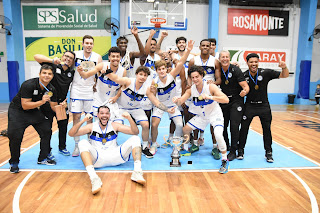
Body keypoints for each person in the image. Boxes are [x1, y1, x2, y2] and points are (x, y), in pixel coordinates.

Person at [68, 106, 145, 195]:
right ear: (97, 115)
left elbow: (135, 132)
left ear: (109, 115)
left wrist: (129, 118)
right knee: (82, 143)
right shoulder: (91, 126)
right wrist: (83, 120)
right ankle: (94, 178)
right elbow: (71, 133)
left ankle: (137, 172)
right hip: (98, 158)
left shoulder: (115, 125)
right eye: (102, 113)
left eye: (106, 113)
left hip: (115, 155)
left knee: (135, 138)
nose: (104, 115)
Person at [105, 66, 175, 159]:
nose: (142, 77)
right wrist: (108, 72)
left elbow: (155, 101)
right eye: (141, 74)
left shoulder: (146, 88)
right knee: (117, 124)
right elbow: (116, 79)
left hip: (136, 108)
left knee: (145, 124)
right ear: (136, 74)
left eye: (145, 75)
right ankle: (112, 145)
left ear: (147, 77)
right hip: (121, 107)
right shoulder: (128, 81)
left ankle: (145, 146)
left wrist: (167, 109)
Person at [172, 65, 230, 174]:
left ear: (202, 76)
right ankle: (185, 149)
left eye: (197, 77)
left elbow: (226, 99)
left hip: (214, 114)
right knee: (185, 129)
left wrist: (211, 97)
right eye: (192, 77)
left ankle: (224, 159)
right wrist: (176, 100)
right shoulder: (191, 90)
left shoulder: (210, 87)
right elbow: (181, 101)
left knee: (218, 134)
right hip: (202, 116)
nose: (195, 79)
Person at [238, 53, 289, 162]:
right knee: (243, 129)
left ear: (258, 62)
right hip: (250, 105)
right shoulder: (243, 75)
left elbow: (284, 75)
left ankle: (268, 152)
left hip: (264, 106)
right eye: (251, 62)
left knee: (267, 130)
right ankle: (240, 150)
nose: (254, 64)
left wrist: (284, 67)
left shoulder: (266, 73)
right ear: (247, 63)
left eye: (256, 62)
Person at [8, 64, 58, 173]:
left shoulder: (51, 89)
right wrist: (42, 102)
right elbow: (25, 105)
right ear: (39, 74)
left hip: (33, 111)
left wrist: (62, 107)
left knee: (46, 130)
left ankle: (43, 158)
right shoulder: (28, 85)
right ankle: (14, 162)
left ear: (52, 76)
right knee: (15, 136)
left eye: (49, 74)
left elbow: (54, 106)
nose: (46, 75)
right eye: (44, 73)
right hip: (18, 111)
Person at [147, 39, 194, 155]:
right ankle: (153, 144)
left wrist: (188, 50)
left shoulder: (171, 75)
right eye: (159, 69)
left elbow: (181, 62)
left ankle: (176, 145)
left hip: (173, 105)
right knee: (154, 124)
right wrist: (153, 91)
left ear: (166, 69)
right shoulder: (155, 81)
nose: (162, 71)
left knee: (179, 124)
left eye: (163, 69)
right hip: (160, 105)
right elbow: (153, 97)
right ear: (156, 71)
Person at [34, 51, 76, 157]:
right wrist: (51, 60)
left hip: (62, 104)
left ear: (73, 62)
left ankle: (62, 147)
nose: (68, 58)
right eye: (66, 56)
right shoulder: (52, 66)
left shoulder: (73, 73)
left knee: (63, 126)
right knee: (46, 129)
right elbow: (36, 56)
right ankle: (47, 150)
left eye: (71, 58)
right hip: (48, 103)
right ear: (62, 57)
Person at [70, 35, 102, 157]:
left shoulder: (97, 57)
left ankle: (89, 144)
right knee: (76, 117)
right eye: (87, 43)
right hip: (76, 89)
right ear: (82, 44)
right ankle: (77, 145)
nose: (89, 45)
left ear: (93, 45)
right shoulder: (76, 54)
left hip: (89, 90)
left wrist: (96, 85)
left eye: (91, 43)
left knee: (89, 117)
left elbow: (98, 74)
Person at [188, 39, 221, 149]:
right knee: (196, 117)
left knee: (212, 121)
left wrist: (214, 83)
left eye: (208, 45)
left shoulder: (215, 61)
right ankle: (196, 143)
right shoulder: (193, 60)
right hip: (197, 92)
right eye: (203, 45)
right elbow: (189, 77)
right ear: (200, 47)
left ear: (211, 47)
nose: (206, 47)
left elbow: (219, 79)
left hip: (210, 93)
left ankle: (215, 147)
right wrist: (189, 87)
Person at [77, 47, 125, 119]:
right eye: (113, 56)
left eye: (117, 56)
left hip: (111, 100)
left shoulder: (123, 71)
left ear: (120, 58)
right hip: (98, 98)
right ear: (109, 57)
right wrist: (81, 71)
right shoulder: (102, 65)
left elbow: (123, 86)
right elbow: (86, 75)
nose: (115, 58)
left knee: (113, 124)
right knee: (98, 121)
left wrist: (116, 97)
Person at [218, 50, 249, 161]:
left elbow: (245, 86)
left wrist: (245, 91)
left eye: (227, 57)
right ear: (219, 59)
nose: (225, 59)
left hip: (236, 101)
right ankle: (226, 146)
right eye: (223, 57)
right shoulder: (217, 71)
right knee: (223, 125)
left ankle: (233, 151)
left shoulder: (236, 70)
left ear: (229, 58)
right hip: (223, 101)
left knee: (234, 126)